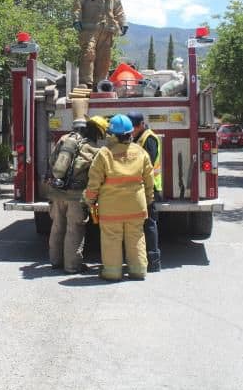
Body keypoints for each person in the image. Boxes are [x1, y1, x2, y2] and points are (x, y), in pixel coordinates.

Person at [84, 114, 154, 281]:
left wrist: (89, 200)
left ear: (112, 134)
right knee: (136, 237)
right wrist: (148, 199)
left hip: (111, 209)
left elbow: (94, 182)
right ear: (130, 132)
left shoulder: (104, 154)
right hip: (136, 206)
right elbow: (149, 180)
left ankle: (112, 273)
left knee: (111, 239)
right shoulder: (140, 152)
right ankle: (138, 271)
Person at [47, 116, 108, 274]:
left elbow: (52, 161)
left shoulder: (65, 140)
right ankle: (72, 266)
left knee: (57, 226)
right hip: (76, 195)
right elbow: (96, 175)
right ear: (98, 133)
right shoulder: (95, 149)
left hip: (57, 192)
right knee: (74, 229)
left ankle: (55, 261)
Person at [72, 0, 128, 90]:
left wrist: (123, 22)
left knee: (104, 57)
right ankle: (86, 83)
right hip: (89, 29)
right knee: (88, 53)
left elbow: (118, 8)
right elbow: (77, 3)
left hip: (107, 29)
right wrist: (76, 19)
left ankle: (100, 83)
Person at [127, 111, 163, 272]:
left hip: (150, 188)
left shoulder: (149, 139)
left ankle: (153, 260)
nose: (132, 130)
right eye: (130, 127)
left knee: (149, 224)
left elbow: (147, 165)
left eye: (134, 127)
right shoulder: (136, 137)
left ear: (142, 124)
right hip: (138, 187)